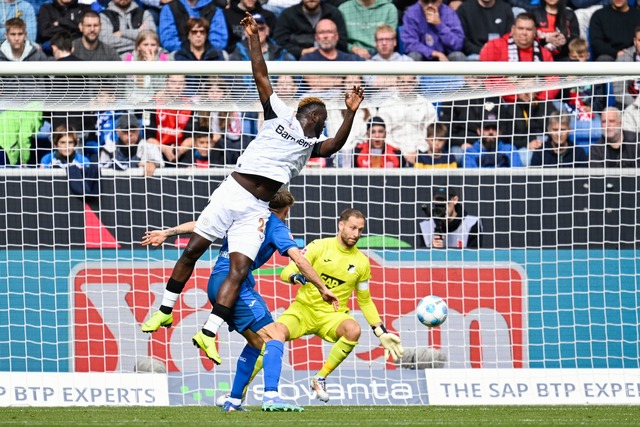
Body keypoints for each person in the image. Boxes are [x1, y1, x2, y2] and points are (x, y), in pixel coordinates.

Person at [140, 12, 365, 368]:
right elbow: (260, 72)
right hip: (232, 191)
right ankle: (165, 309)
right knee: (194, 250)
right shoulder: (279, 114)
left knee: (240, 268)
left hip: (257, 208)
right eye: (321, 116)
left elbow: (336, 145)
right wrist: (253, 37)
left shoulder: (312, 145)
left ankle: (208, 331)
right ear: (307, 112)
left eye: (326, 120)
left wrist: (351, 112)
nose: (323, 121)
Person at [141, 189, 335, 411]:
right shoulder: (277, 227)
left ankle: (233, 399)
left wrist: (167, 232)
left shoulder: (244, 213)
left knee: (257, 341)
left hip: (217, 282)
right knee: (276, 335)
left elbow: (202, 224)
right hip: (234, 285)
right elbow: (299, 259)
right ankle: (271, 396)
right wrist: (322, 288)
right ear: (287, 210)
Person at [218, 208, 404, 406]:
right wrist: (295, 276)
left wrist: (380, 331)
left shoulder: (362, 262)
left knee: (353, 329)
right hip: (302, 311)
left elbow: (365, 300)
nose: (356, 234)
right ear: (341, 225)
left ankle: (320, 378)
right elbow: (286, 271)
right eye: (352, 228)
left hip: (332, 316)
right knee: (272, 336)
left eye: (360, 230)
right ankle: (240, 391)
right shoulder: (318, 247)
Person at [273, 0, 348, 60]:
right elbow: (280, 41)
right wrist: (301, 51)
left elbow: (342, 41)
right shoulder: (288, 14)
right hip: (297, 59)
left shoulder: (333, 13)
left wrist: (324, 51)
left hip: (330, 57)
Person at [99, 113, 165, 176]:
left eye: (133, 130)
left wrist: (153, 164)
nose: (130, 134)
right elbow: (102, 171)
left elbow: (161, 163)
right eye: (126, 130)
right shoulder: (108, 149)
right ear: (118, 131)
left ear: (139, 130)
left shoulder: (149, 147)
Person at [400, 0, 466, 62]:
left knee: (458, 56)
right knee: (413, 56)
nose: (430, 5)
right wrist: (434, 53)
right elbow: (410, 44)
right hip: (422, 55)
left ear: (440, 1)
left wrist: (439, 25)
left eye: (434, 1)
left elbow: (458, 43)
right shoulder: (411, 13)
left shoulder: (449, 13)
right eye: (425, 1)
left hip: (446, 56)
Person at [158, 0, 228, 53]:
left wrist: (201, 51)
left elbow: (219, 41)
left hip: (208, 55)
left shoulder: (215, 9)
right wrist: (190, 51)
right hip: (180, 54)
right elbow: (168, 40)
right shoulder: (169, 8)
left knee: (223, 54)